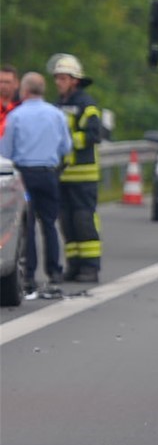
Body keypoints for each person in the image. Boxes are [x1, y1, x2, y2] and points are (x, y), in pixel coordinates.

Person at [0, 72, 72, 299]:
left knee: (27, 226)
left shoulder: (16, 116)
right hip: (49, 175)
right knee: (50, 224)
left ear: (25, 90)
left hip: (25, 176)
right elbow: (66, 147)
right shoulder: (56, 114)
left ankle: (29, 276)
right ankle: (54, 274)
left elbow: (6, 152)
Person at [49, 54, 104, 284]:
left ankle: (91, 267)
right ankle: (73, 266)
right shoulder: (57, 105)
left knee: (83, 220)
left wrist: (68, 141)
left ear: (74, 80)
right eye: (57, 78)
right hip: (62, 175)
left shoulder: (87, 105)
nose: (58, 82)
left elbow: (94, 135)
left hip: (83, 175)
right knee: (67, 221)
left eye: (62, 78)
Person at [0, 63, 18, 139]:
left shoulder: (21, 107)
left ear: (16, 84)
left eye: (7, 82)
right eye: (1, 82)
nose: (3, 86)